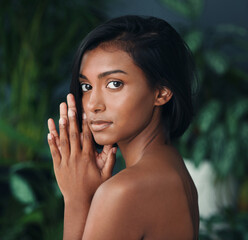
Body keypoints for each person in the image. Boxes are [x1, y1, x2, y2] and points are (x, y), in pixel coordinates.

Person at [47, 15, 199, 240]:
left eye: (114, 84)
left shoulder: (124, 191)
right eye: (86, 86)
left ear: (161, 92)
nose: (92, 104)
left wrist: (77, 201)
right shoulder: (172, 167)